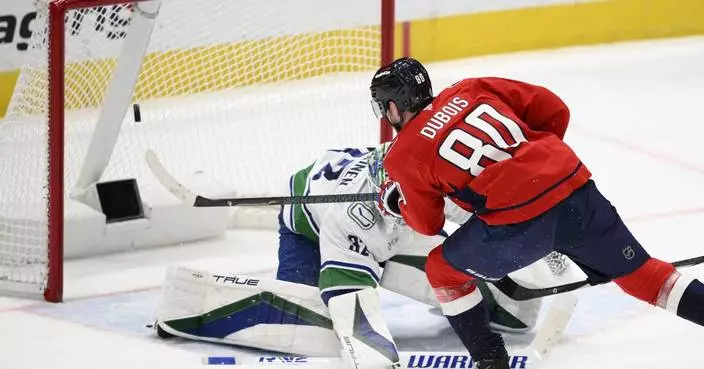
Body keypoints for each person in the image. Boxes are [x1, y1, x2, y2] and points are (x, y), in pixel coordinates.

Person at [370, 57, 704, 369]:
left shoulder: (402, 156)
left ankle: (491, 361)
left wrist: (395, 203)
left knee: (441, 270)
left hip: (521, 226)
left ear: (393, 108)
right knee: (645, 278)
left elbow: (429, 224)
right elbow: (553, 108)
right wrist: (531, 164)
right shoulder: (469, 88)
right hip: (573, 188)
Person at [154, 144, 563, 369]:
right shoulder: (353, 219)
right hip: (307, 234)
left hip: (373, 219)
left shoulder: (421, 169)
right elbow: (353, 307)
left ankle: (501, 301)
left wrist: (544, 249)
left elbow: (477, 208)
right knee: (310, 318)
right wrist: (380, 360)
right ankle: (192, 307)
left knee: (508, 308)